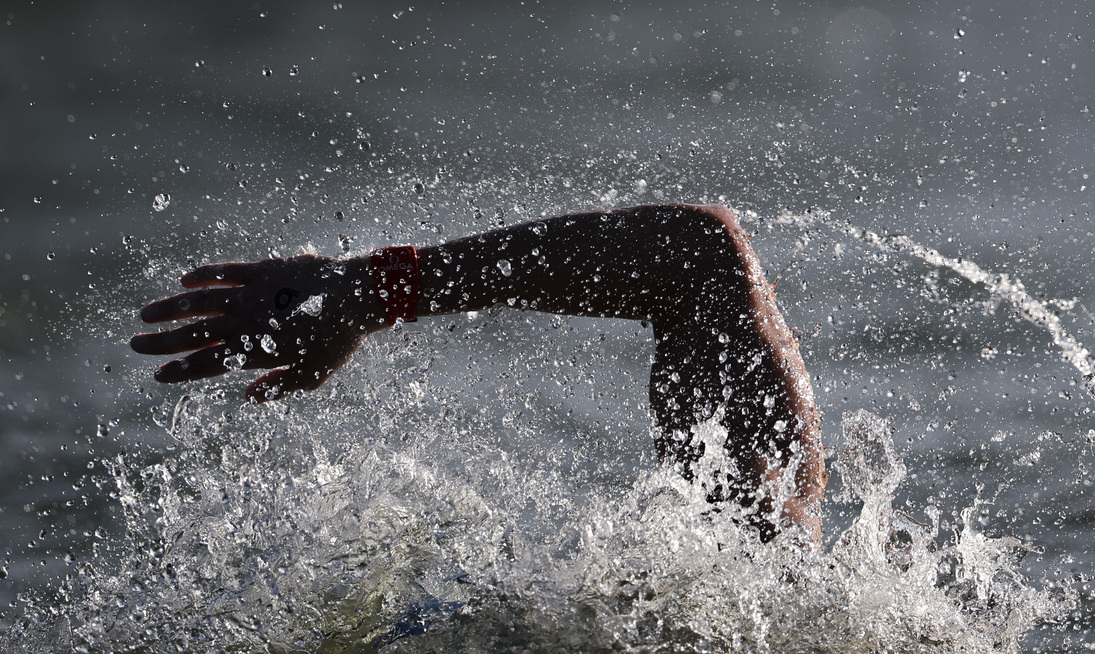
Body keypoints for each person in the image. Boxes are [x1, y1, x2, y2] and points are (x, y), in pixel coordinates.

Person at [131, 203, 825, 541]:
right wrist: (373, 291)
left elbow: (696, 254)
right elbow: (695, 256)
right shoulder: (793, 590)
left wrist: (372, 291)